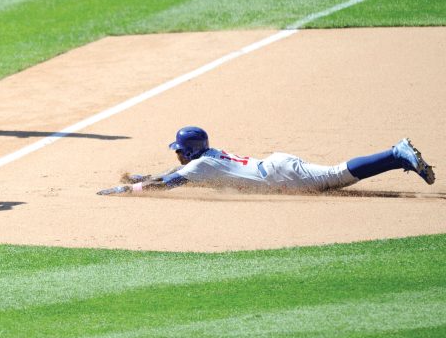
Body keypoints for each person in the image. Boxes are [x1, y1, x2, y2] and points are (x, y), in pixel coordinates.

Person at [97, 126, 435, 195]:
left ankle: (396, 153)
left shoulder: (200, 165)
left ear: (191, 151)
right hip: (277, 166)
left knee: (337, 174)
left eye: (179, 149)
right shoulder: (208, 157)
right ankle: (397, 157)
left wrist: (128, 190)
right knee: (336, 173)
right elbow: (174, 171)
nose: (177, 154)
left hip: (284, 177)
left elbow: (170, 183)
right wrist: (143, 175)